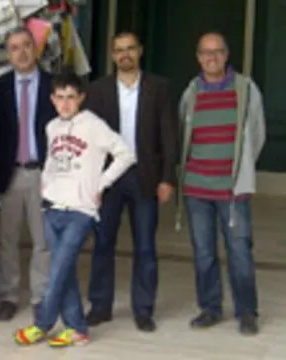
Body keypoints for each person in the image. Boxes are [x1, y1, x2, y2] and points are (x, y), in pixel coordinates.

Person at [14, 73, 135, 348]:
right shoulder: (52, 127)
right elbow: (52, 159)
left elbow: (126, 153)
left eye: (71, 97)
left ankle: (42, 324)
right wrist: (45, 184)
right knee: (63, 270)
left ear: (80, 97)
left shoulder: (93, 125)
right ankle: (77, 329)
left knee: (57, 270)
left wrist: (102, 183)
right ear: (52, 99)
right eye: (60, 97)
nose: (65, 103)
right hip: (53, 206)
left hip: (81, 210)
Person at [84, 31, 178, 332]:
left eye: (130, 49)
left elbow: (168, 135)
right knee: (102, 244)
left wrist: (167, 178)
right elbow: (90, 139)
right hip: (109, 177)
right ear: (113, 56)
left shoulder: (159, 87)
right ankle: (100, 306)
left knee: (146, 246)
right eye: (119, 50)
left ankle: (143, 309)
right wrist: (91, 181)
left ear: (140, 51)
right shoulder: (98, 90)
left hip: (144, 176)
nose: (125, 54)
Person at [177, 32, 265, 335]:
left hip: (232, 190)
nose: (211, 58)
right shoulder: (191, 93)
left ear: (226, 55)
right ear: (198, 57)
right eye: (205, 52)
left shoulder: (245, 88)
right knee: (203, 253)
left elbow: (257, 134)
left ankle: (247, 312)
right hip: (197, 189)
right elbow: (183, 135)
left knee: (239, 252)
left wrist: (240, 172)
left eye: (217, 52)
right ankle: (210, 308)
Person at [0, 28, 55, 322]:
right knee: (7, 240)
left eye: (27, 46)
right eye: (15, 48)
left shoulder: (53, 86)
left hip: (44, 172)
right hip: (10, 174)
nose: (22, 52)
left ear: (35, 49)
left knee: (44, 241)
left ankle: (41, 296)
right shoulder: (0, 88)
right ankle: (8, 296)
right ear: (9, 54)